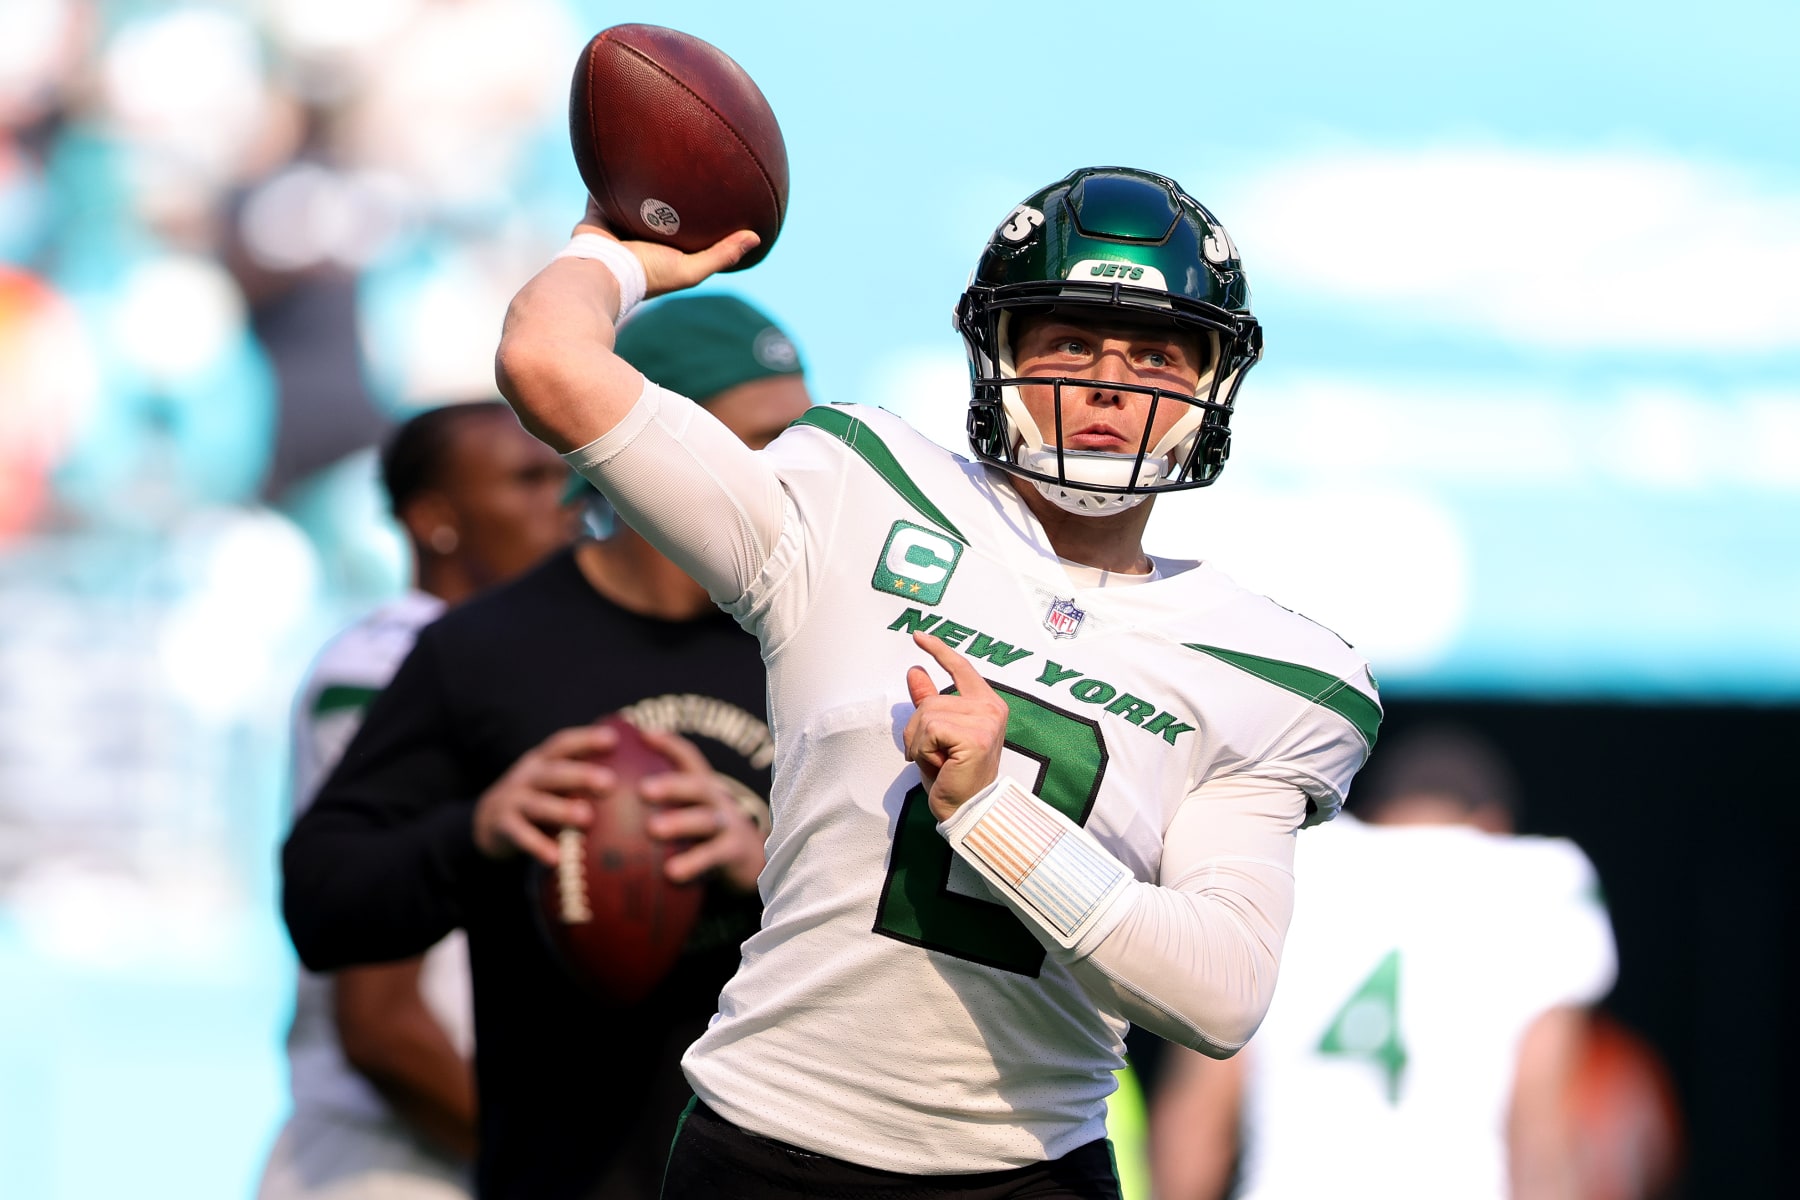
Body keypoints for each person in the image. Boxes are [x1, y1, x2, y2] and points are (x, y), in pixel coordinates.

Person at [493, 165, 1382, 1199]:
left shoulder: (1273, 675)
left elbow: (1220, 995)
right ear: (999, 353)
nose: (1111, 380)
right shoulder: (855, 489)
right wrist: (611, 257)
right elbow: (547, 362)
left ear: (1208, 383)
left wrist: (993, 816)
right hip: (766, 1147)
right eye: (1071, 341)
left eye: (1155, 351)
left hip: (1025, 1174)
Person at [282, 293, 811, 1200]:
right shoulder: (483, 650)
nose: (802, 471)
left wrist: (770, 872)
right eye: (765, 441)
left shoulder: (826, 645)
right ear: (661, 441)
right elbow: (323, 902)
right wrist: (478, 833)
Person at [261, 399, 580, 1200]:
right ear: (434, 518)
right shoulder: (385, 670)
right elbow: (381, 1021)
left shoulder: (521, 659)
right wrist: (558, 1177)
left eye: (570, 477)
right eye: (528, 480)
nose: (569, 504)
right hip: (395, 1159)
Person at [1148, 724, 1619, 1200]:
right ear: (1494, 824)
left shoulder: (1296, 858)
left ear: (1375, 813)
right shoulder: (1540, 880)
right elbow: (1538, 1130)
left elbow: (1199, 1116)